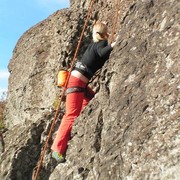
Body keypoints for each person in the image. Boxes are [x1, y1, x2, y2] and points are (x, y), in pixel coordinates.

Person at [51, 20, 117, 162]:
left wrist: (102, 27)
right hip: (77, 83)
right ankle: (57, 149)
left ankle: (81, 127)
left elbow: (98, 48)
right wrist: (112, 45)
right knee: (71, 114)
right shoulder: (101, 44)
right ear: (104, 34)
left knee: (92, 102)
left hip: (79, 82)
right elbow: (102, 52)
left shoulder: (93, 44)